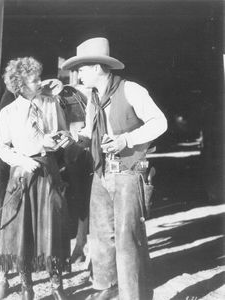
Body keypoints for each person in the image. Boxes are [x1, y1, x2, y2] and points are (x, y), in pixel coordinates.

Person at [61, 37, 168, 300]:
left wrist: (125, 140)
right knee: (100, 233)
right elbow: (88, 132)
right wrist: (73, 138)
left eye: (82, 69)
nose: (78, 75)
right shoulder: (95, 98)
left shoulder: (132, 90)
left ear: (98, 67)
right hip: (102, 171)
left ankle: (133, 294)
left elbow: (160, 122)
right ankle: (107, 285)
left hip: (130, 170)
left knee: (126, 235)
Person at [0, 57, 72, 300]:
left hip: (48, 172)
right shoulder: (8, 112)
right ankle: (27, 288)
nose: (40, 82)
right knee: (21, 231)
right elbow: (2, 148)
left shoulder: (50, 104)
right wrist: (21, 160)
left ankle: (57, 287)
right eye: (34, 80)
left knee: (52, 228)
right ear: (20, 84)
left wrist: (59, 139)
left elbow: (63, 131)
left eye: (39, 77)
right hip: (23, 174)